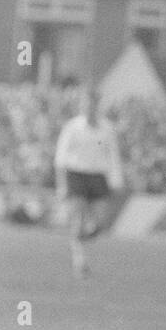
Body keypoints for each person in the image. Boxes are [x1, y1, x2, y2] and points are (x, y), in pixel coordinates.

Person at [54, 84, 125, 276]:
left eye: (93, 103)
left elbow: (113, 156)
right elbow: (60, 158)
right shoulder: (72, 127)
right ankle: (80, 261)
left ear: (98, 104)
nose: (90, 106)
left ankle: (78, 241)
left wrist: (116, 181)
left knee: (99, 223)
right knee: (78, 218)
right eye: (86, 103)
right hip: (76, 175)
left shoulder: (107, 129)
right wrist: (62, 185)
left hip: (98, 177)